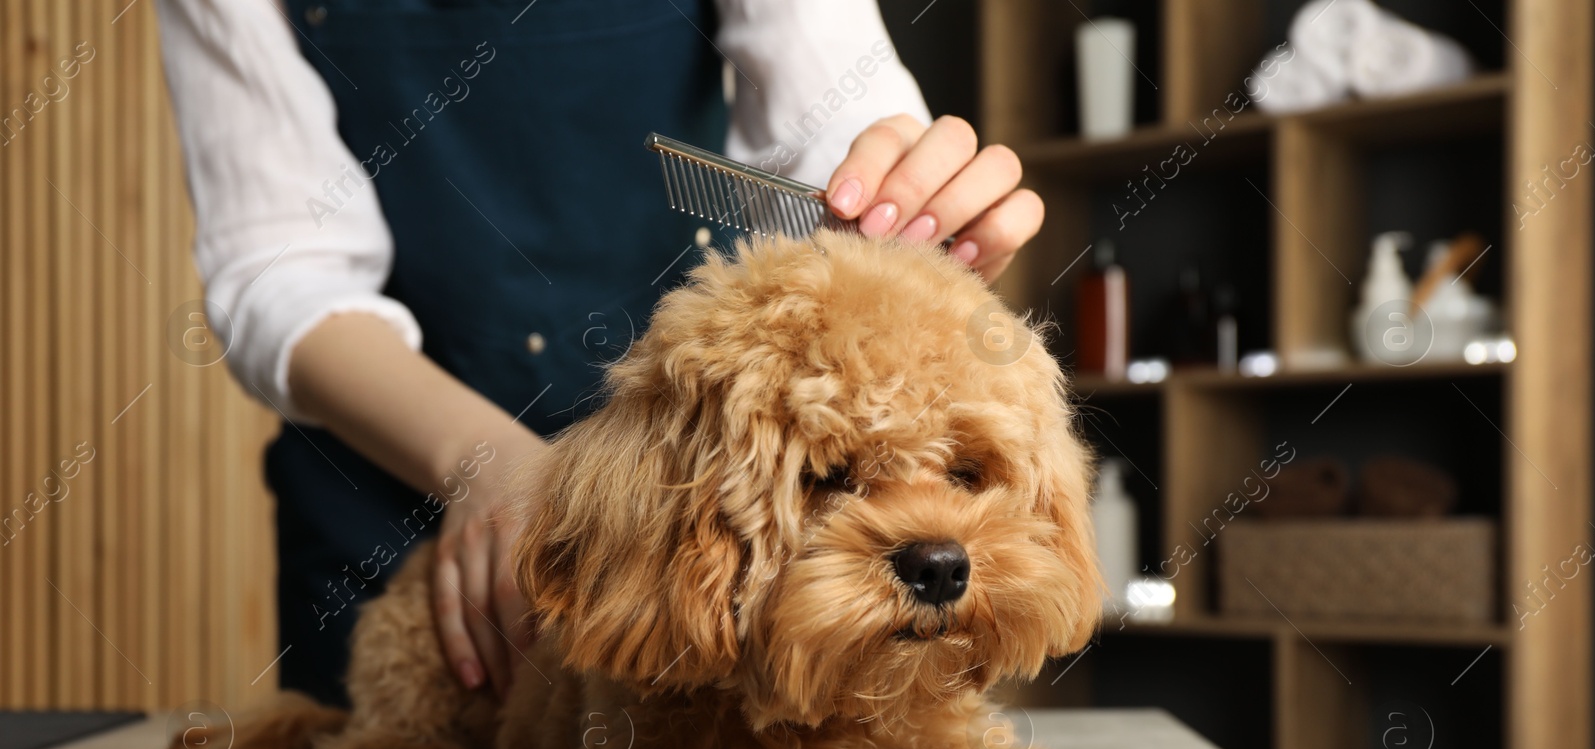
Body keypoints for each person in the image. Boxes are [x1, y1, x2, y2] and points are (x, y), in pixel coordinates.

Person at [156, 0, 1043, 707]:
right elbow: (278, 272)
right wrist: (485, 464)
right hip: (382, 513)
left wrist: (901, 190)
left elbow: (831, 119)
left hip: (703, 494)